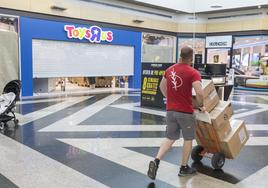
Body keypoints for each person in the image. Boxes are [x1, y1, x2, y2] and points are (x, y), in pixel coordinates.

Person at [147, 46, 205, 179]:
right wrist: (200, 104)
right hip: (185, 112)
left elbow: (162, 86)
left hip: (170, 111)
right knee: (188, 138)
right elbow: (199, 91)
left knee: (170, 137)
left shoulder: (169, 70)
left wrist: (171, 98)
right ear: (191, 58)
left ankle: (156, 160)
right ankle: (184, 167)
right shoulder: (193, 72)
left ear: (180, 56)